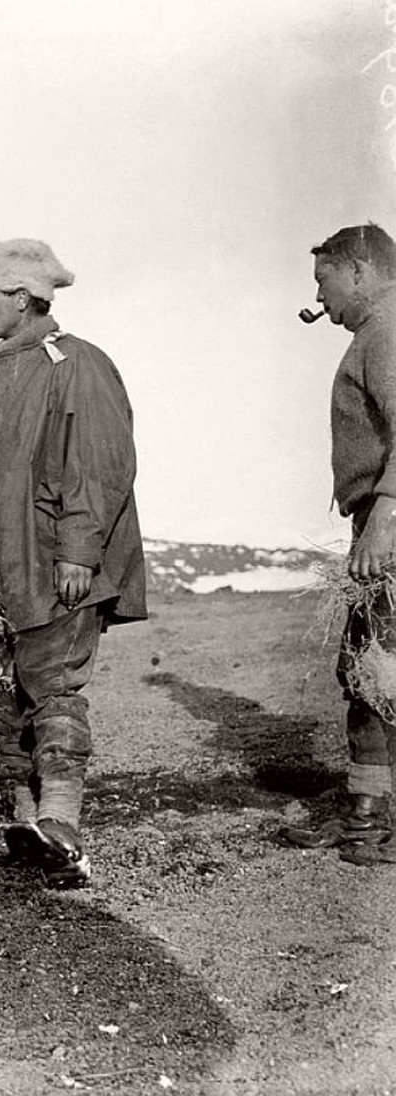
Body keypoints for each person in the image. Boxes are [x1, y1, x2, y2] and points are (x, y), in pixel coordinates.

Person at [0, 239, 146, 889]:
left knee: (53, 686)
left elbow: (100, 462)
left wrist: (80, 549)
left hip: (54, 567)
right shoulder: (2, 373)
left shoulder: (74, 364)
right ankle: (20, 822)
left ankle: (61, 824)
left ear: (22, 299)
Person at [280, 223, 396, 866]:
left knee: (383, 670)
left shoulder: (387, 331)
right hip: (381, 522)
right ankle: (364, 808)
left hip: (390, 525)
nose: (320, 295)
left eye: (323, 278)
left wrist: (382, 523)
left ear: (357, 270)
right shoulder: (377, 331)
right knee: (367, 669)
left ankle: (377, 820)